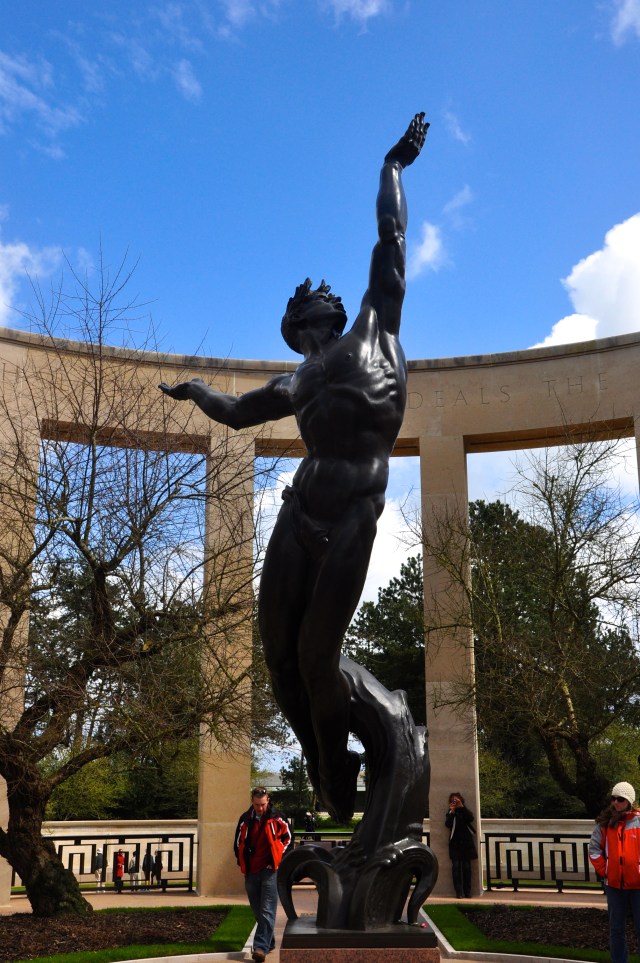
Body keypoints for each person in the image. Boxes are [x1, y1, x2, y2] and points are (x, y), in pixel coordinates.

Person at [159, 113, 428, 823]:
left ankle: (343, 770)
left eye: (308, 305)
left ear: (329, 312)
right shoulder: (294, 382)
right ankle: (323, 763)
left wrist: (392, 167)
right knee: (275, 654)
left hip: (351, 519)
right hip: (298, 515)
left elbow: (390, 240)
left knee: (316, 657)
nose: (304, 309)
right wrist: (195, 392)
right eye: (297, 311)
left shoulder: (378, 328)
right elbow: (235, 412)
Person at [234, 787, 291, 962]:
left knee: (267, 909)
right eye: (257, 804)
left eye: (263, 804)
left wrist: (276, 859)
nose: (260, 808)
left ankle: (260, 947)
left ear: (268, 800)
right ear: (252, 800)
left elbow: (288, 839)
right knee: (257, 910)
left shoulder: (277, 817)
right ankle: (269, 941)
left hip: (269, 870)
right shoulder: (245, 819)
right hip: (251, 870)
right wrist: (243, 861)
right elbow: (237, 844)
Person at [589, 781, 640, 963]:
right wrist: (606, 871)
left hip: (638, 887)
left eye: (620, 799)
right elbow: (593, 850)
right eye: (614, 798)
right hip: (614, 886)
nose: (616, 802)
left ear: (629, 801)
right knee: (616, 930)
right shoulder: (604, 825)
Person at [445, 791, 477, 898]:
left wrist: (461, 807)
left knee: (467, 868)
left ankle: (467, 892)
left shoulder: (464, 811)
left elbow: (470, 818)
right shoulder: (451, 812)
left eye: (456, 800)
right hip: (455, 843)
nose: (454, 802)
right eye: (452, 800)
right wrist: (452, 811)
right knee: (456, 867)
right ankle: (459, 892)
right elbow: (448, 824)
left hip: (466, 843)